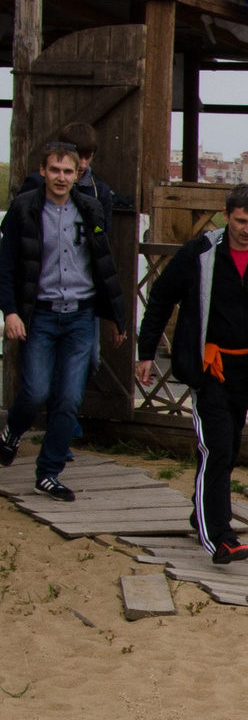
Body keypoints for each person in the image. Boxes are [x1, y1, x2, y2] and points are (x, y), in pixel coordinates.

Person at [136, 184, 248, 561]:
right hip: (208, 367)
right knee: (217, 448)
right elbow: (160, 297)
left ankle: (202, 513)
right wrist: (146, 352)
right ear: (226, 216)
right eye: (241, 221)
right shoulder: (200, 253)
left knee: (230, 447)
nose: (247, 229)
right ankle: (219, 537)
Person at [0, 141, 125, 500]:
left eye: (68, 171)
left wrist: (115, 317)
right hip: (39, 314)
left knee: (69, 398)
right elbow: (6, 266)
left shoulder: (91, 209)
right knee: (37, 390)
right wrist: (10, 311)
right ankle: (12, 431)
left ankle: (49, 472)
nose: (61, 177)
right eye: (54, 170)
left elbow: (105, 266)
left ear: (77, 174)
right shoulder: (24, 209)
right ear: (42, 171)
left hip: (80, 316)